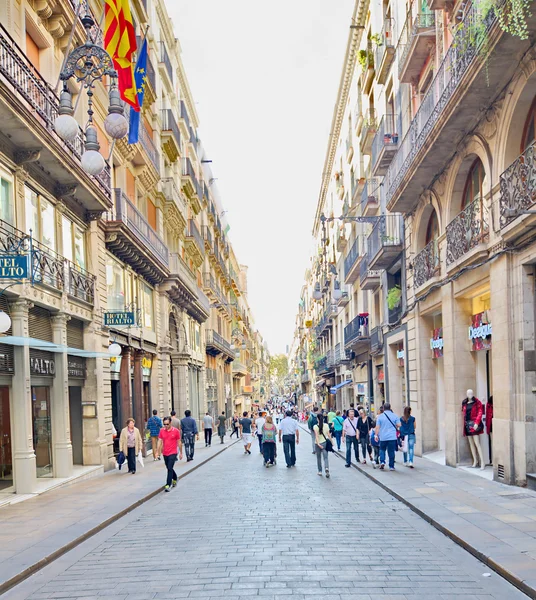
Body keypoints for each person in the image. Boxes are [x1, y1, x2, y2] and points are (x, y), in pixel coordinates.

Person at [158, 416, 183, 492]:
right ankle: (175, 478)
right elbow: (159, 441)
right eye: (164, 424)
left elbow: (179, 442)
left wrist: (181, 453)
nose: (166, 426)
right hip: (165, 452)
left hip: (173, 452)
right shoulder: (162, 431)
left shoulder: (176, 431)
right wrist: (157, 451)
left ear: (170, 423)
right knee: (169, 467)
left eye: (167, 424)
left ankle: (168, 484)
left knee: (169, 468)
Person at [375, 402, 401, 471]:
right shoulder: (395, 416)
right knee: (391, 451)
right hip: (392, 437)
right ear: (390, 408)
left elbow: (377, 427)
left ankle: (382, 461)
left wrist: (376, 435)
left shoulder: (380, 417)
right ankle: (391, 466)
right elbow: (399, 425)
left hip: (383, 437)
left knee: (382, 449)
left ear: (383, 408)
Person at [313, 413, 332, 478]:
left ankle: (320, 471)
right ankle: (326, 468)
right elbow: (329, 435)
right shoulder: (326, 425)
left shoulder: (315, 426)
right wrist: (332, 442)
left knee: (318, 458)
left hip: (317, 444)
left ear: (317, 419)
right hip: (324, 443)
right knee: (325, 457)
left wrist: (318, 444)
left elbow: (316, 436)